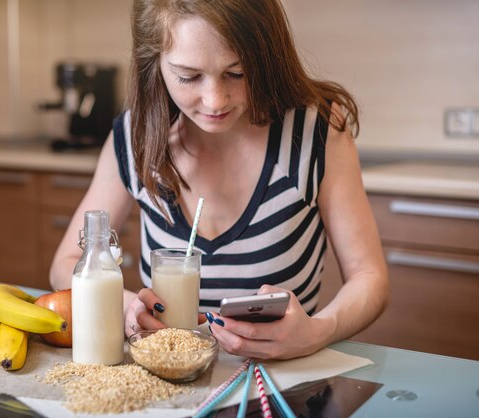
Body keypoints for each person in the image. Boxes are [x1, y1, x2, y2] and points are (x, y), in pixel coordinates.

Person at [50, 0, 389, 360]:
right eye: (189, 76)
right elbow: (65, 262)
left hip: (280, 386)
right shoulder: (135, 138)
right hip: (171, 384)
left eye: (237, 73)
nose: (215, 100)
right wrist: (124, 305)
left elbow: (370, 278)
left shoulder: (314, 132)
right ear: (155, 65)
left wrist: (318, 331)